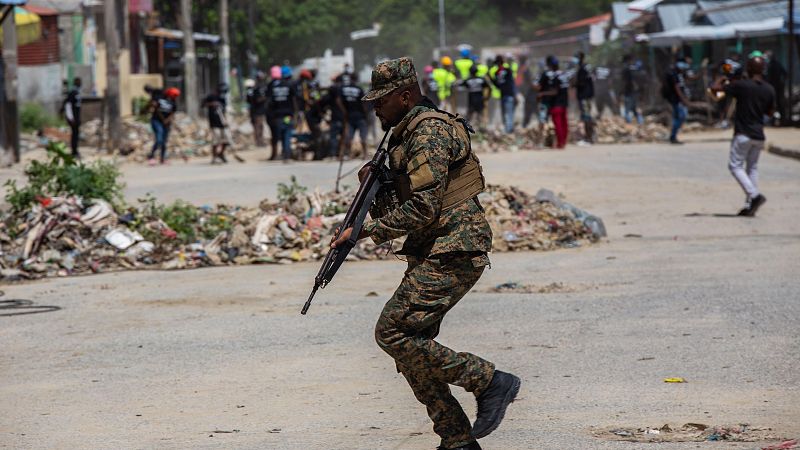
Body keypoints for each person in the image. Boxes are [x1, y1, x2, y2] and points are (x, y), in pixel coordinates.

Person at [332, 56, 520, 450]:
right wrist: (378, 187)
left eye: (381, 101)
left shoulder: (429, 132)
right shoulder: (403, 134)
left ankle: (488, 380)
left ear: (405, 95)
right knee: (412, 351)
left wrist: (363, 232)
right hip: (435, 247)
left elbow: (423, 208)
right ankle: (456, 440)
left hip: (454, 246)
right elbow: (408, 200)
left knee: (392, 332)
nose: (376, 108)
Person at [710, 56, 774, 217]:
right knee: (752, 168)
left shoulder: (741, 86)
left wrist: (722, 78)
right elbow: (770, 112)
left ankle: (754, 196)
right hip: (759, 134)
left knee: (735, 166)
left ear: (748, 69)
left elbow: (715, 90)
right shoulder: (769, 89)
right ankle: (749, 204)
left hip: (743, 133)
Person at [267, 66, 298, 162]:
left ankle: (278, 154)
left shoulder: (271, 87)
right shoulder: (289, 85)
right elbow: (294, 100)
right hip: (287, 115)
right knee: (287, 135)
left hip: (277, 116)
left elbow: (269, 103)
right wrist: (295, 113)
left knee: (277, 136)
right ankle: (287, 155)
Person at [537, 55, 569, 149]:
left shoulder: (556, 77)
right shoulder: (564, 75)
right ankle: (563, 141)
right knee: (564, 124)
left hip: (556, 104)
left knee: (558, 124)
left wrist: (542, 94)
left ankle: (560, 143)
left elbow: (554, 92)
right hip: (564, 103)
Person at [338, 73, 369, 159]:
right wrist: (366, 115)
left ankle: (347, 154)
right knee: (363, 137)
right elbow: (364, 103)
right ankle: (365, 154)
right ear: (357, 79)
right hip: (360, 116)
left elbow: (338, 101)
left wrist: (344, 111)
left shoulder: (343, 89)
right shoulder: (359, 89)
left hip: (349, 116)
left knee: (348, 137)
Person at [663, 57, 692, 144]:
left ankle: (673, 136)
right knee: (681, 116)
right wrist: (683, 100)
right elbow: (677, 88)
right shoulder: (673, 73)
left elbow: (691, 78)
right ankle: (673, 136)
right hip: (675, 99)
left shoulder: (680, 73)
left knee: (678, 117)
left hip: (677, 99)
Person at [148, 87, 179, 165]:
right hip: (156, 121)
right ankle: (151, 157)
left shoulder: (173, 102)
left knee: (164, 142)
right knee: (159, 139)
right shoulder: (160, 98)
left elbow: (172, 113)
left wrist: (167, 120)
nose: (174, 97)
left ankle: (162, 158)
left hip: (166, 123)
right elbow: (154, 105)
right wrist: (153, 104)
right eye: (173, 95)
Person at [202, 83, 231, 164]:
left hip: (222, 122)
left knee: (226, 140)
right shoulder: (211, 96)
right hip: (214, 122)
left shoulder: (223, 99)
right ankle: (214, 157)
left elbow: (224, 111)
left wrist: (226, 120)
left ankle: (221, 154)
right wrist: (212, 104)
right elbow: (203, 104)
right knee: (216, 140)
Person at [458, 65, 491, 129]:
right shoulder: (481, 79)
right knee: (480, 115)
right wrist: (487, 97)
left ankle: (465, 128)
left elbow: (460, 85)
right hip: (480, 99)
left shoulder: (468, 80)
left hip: (471, 100)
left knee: (469, 116)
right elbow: (489, 87)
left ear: (470, 72)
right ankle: (482, 128)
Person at [490, 55, 516, 134]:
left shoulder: (500, 72)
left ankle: (508, 130)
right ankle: (508, 129)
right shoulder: (506, 70)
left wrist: (492, 80)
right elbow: (510, 83)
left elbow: (507, 84)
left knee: (507, 113)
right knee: (506, 113)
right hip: (505, 94)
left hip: (507, 94)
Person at [574, 51, 595, 143]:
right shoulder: (588, 67)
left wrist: (573, 84)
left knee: (586, 117)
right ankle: (589, 136)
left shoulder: (582, 69)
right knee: (587, 116)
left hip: (584, 96)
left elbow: (581, 83)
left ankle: (588, 137)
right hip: (588, 95)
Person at [764, 50, 787, 126]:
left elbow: (768, 78)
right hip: (778, 87)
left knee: (773, 104)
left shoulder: (770, 65)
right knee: (780, 104)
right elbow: (785, 74)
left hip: (773, 88)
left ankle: (774, 121)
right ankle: (782, 121)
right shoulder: (778, 64)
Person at [265, 65, 283, 160]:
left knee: (274, 135)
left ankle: (274, 154)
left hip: (273, 115)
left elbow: (268, 101)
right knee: (283, 134)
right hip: (284, 114)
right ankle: (284, 153)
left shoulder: (270, 85)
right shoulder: (285, 84)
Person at [62, 77, 82, 158]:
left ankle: (75, 150)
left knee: (76, 134)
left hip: (76, 118)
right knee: (74, 135)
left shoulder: (77, 92)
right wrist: (71, 118)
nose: (80, 83)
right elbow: (68, 105)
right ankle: (74, 152)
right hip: (73, 118)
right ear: (76, 83)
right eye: (79, 82)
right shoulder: (72, 92)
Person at [621, 54, 643, 125]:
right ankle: (640, 122)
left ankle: (628, 124)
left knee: (627, 109)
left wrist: (622, 91)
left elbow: (625, 81)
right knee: (634, 108)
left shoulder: (626, 69)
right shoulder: (633, 68)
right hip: (634, 91)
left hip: (629, 91)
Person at [249, 72, 269, 147]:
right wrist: (265, 98)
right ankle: (258, 142)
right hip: (256, 111)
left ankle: (261, 141)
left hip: (261, 110)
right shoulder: (256, 88)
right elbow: (257, 100)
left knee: (261, 126)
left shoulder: (262, 86)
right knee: (258, 126)